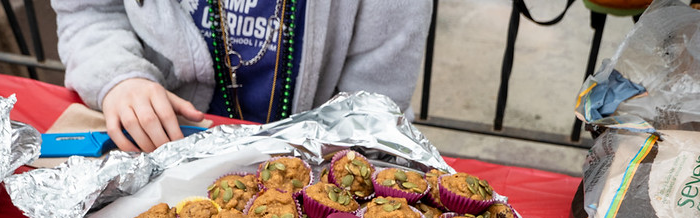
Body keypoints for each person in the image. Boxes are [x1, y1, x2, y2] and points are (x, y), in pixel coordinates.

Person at [51, 0, 432, 152]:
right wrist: (120, 77)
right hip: (159, 145)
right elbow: (89, 12)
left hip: (308, 160)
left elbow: (372, 109)